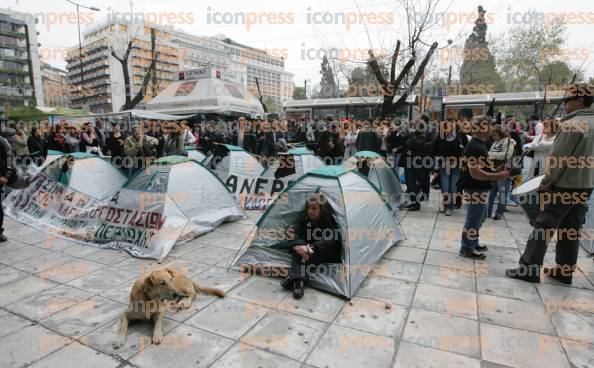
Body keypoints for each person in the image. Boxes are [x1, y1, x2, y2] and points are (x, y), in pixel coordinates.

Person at [506, 83, 594, 285]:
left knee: (543, 226)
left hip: (565, 184)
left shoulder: (573, 124)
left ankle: (529, 268)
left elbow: (558, 159)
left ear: (580, 100)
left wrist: (546, 183)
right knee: (571, 230)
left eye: (567, 100)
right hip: (586, 185)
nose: (564, 105)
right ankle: (564, 272)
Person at [458, 115, 509, 259]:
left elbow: (482, 168)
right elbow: (475, 173)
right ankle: (467, 247)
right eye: (488, 125)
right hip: (475, 187)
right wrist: (497, 176)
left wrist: (495, 170)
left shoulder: (480, 144)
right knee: (474, 219)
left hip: (480, 187)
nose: (491, 129)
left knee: (481, 217)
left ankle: (473, 241)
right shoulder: (475, 147)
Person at [281, 192, 342, 299]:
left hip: (325, 253)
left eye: (314, 208)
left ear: (321, 210)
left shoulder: (328, 222)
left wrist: (309, 248)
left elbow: (329, 241)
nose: (311, 211)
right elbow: (291, 232)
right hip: (307, 251)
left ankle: (293, 278)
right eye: (309, 208)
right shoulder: (305, 221)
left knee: (306, 253)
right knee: (299, 251)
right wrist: (297, 247)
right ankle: (298, 282)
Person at [432, 119, 468, 215]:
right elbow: (435, 152)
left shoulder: (461, 136)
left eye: (451, 125)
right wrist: (435, 168)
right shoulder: (441, 137)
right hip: (444, 165)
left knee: (453, 187)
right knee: (445, 186)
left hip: (457, 165)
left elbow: (467, 149)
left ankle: (450, 207)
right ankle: (446, 205)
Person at [486, 125, 516, 220]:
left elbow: (507, 155)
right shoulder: (495, 143)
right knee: (492, 193)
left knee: (502, 193)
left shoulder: (509, 141)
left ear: (500, 134)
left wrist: (490, 154)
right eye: (492, 135)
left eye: (495, 135)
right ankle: (488, 212)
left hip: (504, 170)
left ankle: (499, 212)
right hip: (494, 170)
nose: (493, 137)